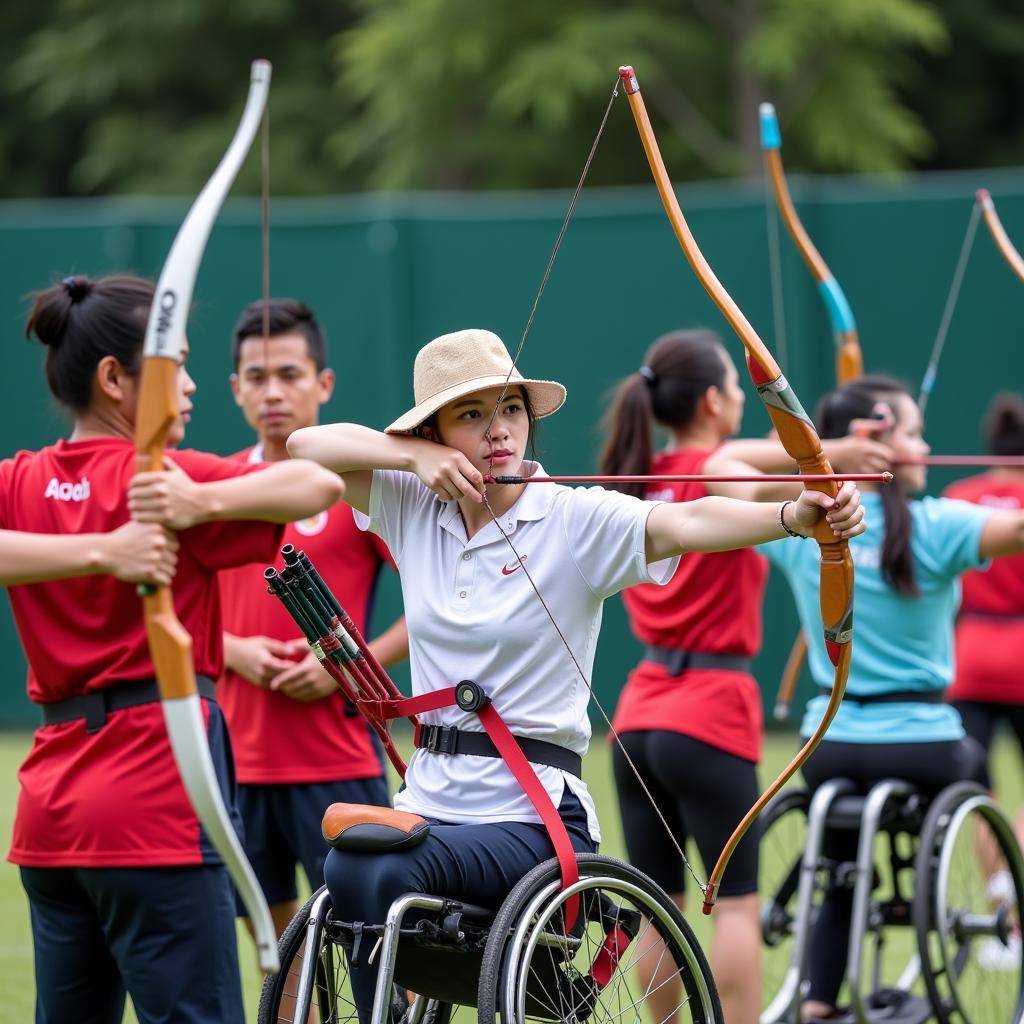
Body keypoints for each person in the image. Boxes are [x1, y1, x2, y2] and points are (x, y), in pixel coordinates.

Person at [286, 326, 866, 1022]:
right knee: (348, 867)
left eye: (509, 410)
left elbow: (684, 524)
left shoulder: (572, 518)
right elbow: (306, 446)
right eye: (470, 415)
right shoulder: (411, 505)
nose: (497, 431)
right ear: (436, 432)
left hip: (530, 816)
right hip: (429, 803)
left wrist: (793, 514)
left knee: (379, 868)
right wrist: (412, 458)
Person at [1, 274, 343, 1024]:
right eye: (173, 366)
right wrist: (112, 547)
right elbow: (318, 482)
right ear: (115, 378)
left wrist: (182, 510)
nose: (190, 387)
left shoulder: (22, 479)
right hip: (154, 804)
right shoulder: (164, 478)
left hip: (51, 820)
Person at [600, 329, 888, 1024]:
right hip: (709, 711)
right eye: (736, 387)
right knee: (734, 902)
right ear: (711, 400)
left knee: (660, 903)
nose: (740, 400)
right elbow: (732, 465)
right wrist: (836, 456)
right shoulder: (717, 466)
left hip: (636, 717)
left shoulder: (637, 474)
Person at [763, 375, 1024, 1022]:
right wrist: (841, 454)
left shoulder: (806, 522)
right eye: (912, 433)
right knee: (969, 766)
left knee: (843, 870)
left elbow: (721, 470)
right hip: (927, 748)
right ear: (876, 441)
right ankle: (926, 898)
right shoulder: (936, 525)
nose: (926, 444)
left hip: (828, 745)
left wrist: (823, 455)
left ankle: (819, 1004)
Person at [218, 298, 408, 943]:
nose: (272, 392)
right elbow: (171, 615)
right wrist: (233, 651)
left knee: (374, 951)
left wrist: (348, 666)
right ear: (235, 388)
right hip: (238, 763)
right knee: (278, 961)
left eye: (290, 374)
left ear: (323, 384)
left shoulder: (352, 490)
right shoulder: (214, 488)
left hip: (338, 762)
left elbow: (442, 601)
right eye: (256, 376)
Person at [944, 393, 1024, 918]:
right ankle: (1014, 904)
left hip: (969, 657)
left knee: (980, 795)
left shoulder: (958, 497)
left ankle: (1000, 904)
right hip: (1019, 656)